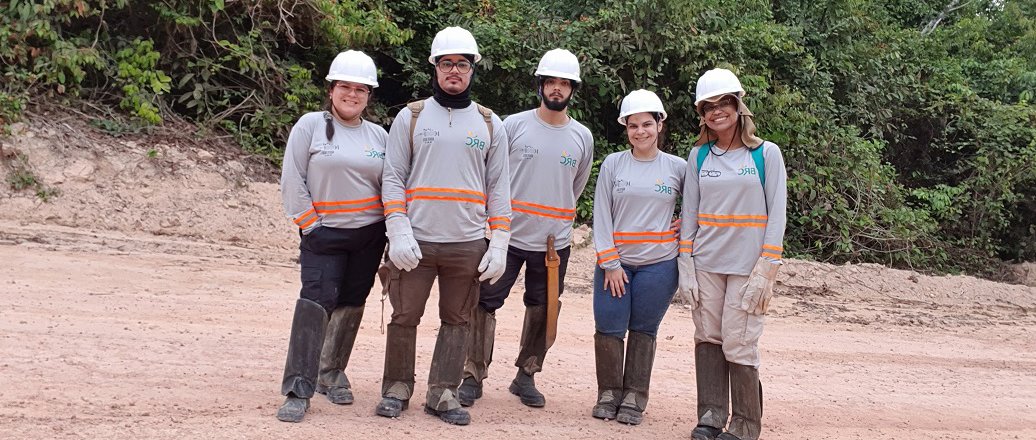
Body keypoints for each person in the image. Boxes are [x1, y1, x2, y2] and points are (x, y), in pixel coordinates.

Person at [376, 26, 511, 426]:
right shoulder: (412, 116)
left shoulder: (489, 123)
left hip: (467, 243)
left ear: (472, 70)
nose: (455, 70)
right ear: (435, 67)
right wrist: (397, 228)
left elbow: (499, 188)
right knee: (404, 316)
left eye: (463, 64)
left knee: (458, 319)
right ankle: (396, 388)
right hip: (415, 241)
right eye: (447, 63)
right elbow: (393, 177)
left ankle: (444, 392)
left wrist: (500, 240)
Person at [457, 48, 594, 408]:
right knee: (483, 302)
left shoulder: (582, 137)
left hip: (553, 243)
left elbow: (574, 186)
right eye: (551, 81)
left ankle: (526, 374)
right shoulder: (512, 125)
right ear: (540, 85)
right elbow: (493, 177)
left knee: (544, 306)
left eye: (565, 83)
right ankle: (473, 374)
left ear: (572, 90)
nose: (557, 89)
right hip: (506, 236)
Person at [275, 50, 388, 423]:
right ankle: (297, 388)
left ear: (369, 95)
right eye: (345, 86)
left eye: (360, 89)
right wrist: (311, 224)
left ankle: (331, 372)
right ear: (331, 89)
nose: (352, 95)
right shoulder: (310, 126)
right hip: (324, 233)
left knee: (353, 301)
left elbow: (392, 185)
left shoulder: (380, 136)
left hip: (369, 235)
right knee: (315, 302)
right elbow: (292, 179)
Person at [680, 68, 787, 440]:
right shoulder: (698, 157)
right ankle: (710, 416)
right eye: (708, 106)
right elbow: (689, 214)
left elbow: (777, 213)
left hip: (748, 267)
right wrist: (685, 266)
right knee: (708, 335)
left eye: (723, 102)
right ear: (702, 114)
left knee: (739, 340)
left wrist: (767, 266)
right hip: (706, 262)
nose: (716, 111)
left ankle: (744, 424)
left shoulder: (766, 154)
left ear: (738, 105)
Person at [591, 89, 686, 425]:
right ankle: (608, 393)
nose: (641, 131)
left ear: (660, 124)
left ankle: (634, 397)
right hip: (615, 265)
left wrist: (687, 223)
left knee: (644, 329)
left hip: (659, 266)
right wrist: (611, 263)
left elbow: (702, 205)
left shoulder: (678, 167)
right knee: (609, 327)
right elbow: (601, 215)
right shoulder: (614, 164)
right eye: (633, 125)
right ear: (626, 128)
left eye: (648, 123)